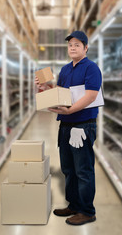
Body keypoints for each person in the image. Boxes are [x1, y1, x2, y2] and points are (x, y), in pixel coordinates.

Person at [35, 31, 102, 225]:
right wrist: (45, 86)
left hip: (83, 125)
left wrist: (71, 110)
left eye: (77, 45)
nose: (72, 48)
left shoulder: (91, 68)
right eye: (70, 45)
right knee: (68, 169)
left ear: (86, 48)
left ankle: (87, 211)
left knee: (83, 169)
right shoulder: (65, 70)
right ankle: (74, 204)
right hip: (65, 124)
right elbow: (59, 94)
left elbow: (90, 95)